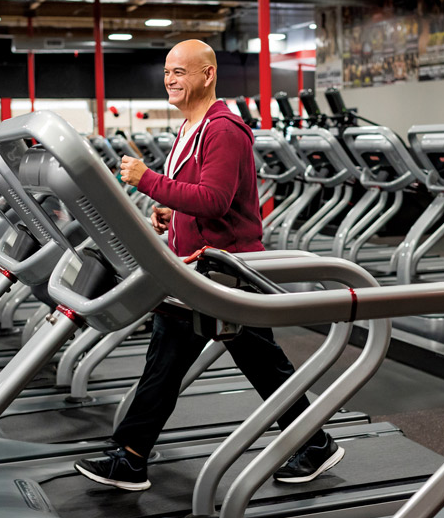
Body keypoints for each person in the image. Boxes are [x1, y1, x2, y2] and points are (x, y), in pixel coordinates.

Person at [73, 39, 344, 492]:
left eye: (180, 71)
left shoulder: (223, 129)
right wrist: (170, 212)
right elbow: (195, 194)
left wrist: (149, 181)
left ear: (208, 75)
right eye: (166, 72)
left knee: (254, 362)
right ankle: (132, 457)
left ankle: (312, 443)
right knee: (171, 358)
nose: (170, 79)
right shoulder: (189, 128)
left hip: (226, 270)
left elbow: (215, 202)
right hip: (193, 270)